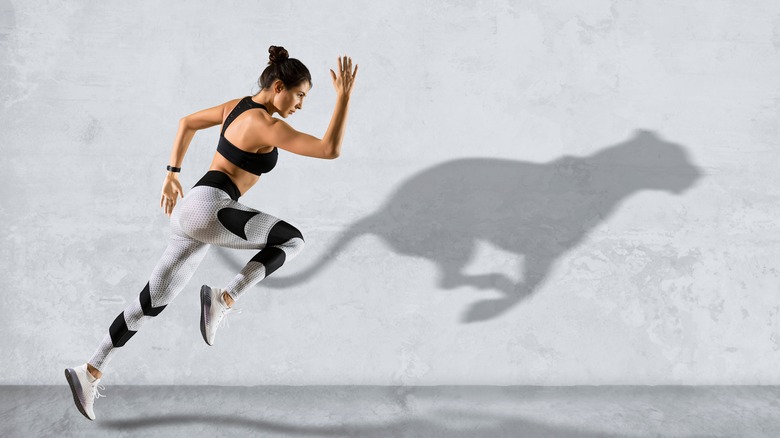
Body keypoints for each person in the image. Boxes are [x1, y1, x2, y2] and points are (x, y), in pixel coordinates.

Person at [65, 45, 358, 421]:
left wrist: (172, 173)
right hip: (212, 208)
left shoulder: (236, 106)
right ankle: (225, 297)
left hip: (192, 212)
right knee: (292, 240)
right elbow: (329, 149)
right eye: (300, 95)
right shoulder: (267, 125)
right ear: (279, 86)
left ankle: (89, 370)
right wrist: (344, 98)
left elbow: (186, 121)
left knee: (149, 304)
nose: (301, 104)